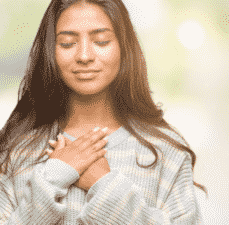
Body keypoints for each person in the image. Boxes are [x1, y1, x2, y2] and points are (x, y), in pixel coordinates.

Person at [0, 0, 208, 224]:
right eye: (68, 43)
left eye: (101, 41)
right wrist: (55, 176)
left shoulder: (165, 152)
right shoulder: (17, 152)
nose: (85, 56)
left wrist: (104, 184)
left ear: (123, 47)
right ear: (50, 51)